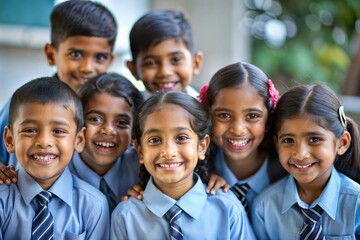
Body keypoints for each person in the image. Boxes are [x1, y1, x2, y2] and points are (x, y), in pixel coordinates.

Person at [110, 91, 255, 239]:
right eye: (155, 140)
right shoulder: (125, 216)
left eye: (181, 138)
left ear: (202, 146)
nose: (168, 152)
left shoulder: (228, 209)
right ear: (140, 152)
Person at [0, 0, 117, 168]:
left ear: (110, 60)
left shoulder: (114, 108)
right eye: (75, 54)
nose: (87, 68)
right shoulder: (23, 103)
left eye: (99, 57)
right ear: (51, 54)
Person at [0, 77, 109, 239]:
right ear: (10, 140)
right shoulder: (2, 199)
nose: (44, 141)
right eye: (30, 130)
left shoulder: (94, 205)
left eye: (58, 131)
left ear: (78, 140)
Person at [251, 84, 360, 239]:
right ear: (277, 144)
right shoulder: (264, 208)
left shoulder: (356, 204)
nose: (300, 154)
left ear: (341, 143)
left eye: (314, 139)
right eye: (288, 140)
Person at [198, 62, 287, 214]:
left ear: (269, 120)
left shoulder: (288, 174)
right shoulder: (195, 173)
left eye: (252, 116)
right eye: (224, 115)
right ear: (209, 118)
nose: (238, 129)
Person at [68, 72, 143, 213]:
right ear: (77, 123)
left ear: (134, 134)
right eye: (95, 119)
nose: (108, 131)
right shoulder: (56, 171)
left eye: (121, 123)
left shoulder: (143, 171)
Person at [126, 9, 203, 99]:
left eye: (176, 59)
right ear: (133, 70)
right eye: (151, 63)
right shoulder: (129, 111)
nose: (164, 72)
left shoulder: (210, 110)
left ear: (196, 63)